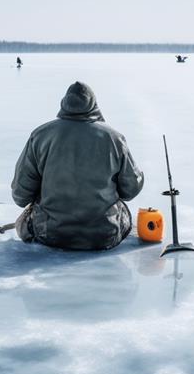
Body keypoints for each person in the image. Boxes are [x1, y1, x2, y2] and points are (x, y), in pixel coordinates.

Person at [11, 81, 144, 250]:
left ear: (64, 104)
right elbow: (130, 190)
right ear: (94, 105)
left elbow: (20, 195)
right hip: (104, 234)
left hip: (50, 234)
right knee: (123, 212)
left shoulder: (40, 135)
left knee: (25, 221)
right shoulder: (114, 138)